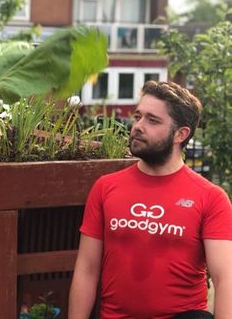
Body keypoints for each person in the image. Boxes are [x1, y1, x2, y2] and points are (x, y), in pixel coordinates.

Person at [68, 81, 232, 318]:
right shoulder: (106, 187)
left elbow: (225, 278)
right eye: (138, 117)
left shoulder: (210, 197)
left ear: (180, 134)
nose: (138, 126)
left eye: (152, 120)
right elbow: (86, 269)